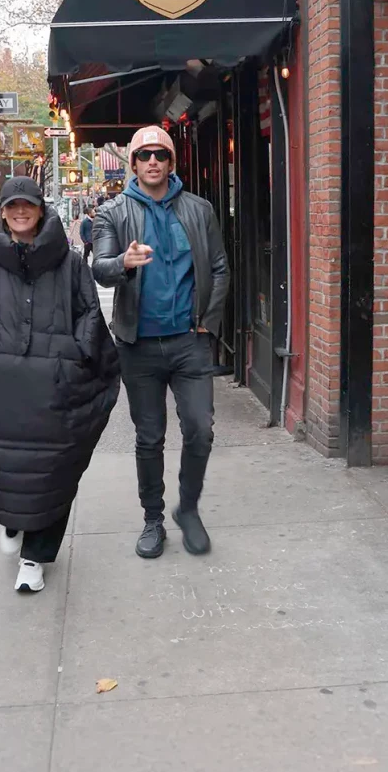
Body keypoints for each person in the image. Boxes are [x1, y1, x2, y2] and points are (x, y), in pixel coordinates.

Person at [0, 177, 120, 593]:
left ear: (41, 210)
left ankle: (35, 557)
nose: (21, 212)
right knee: (6, 465)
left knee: (55, 471)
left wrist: (74, 357)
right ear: (2, 211)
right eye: (12, 206)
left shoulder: (71, 264)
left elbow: (89, 313)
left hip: (52, 390)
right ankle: (12, 519)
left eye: (29, 205)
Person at [92, 126, 230, 560]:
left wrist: (208, 321)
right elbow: (100, 266)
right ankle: (153, 519)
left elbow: (221, 267)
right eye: (145, 155)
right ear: (133, 163)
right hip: (138, 345)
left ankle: (187, 509)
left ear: (171, 163)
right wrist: (123, 264)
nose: (153, 161)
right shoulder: (111, 213)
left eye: (161, 155)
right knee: (149, 438)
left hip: (189, 342)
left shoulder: (199, 209)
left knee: (200, 431)